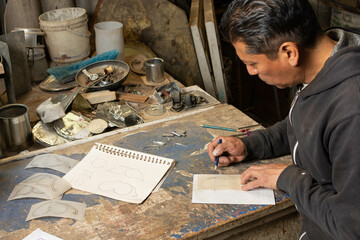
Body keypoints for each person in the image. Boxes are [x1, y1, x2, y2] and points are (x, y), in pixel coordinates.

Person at [207, 0, 360, 239]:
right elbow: (305, 125)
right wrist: (251, 145)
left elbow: (351, 226)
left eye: (253, 63)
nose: (251, 72)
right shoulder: (326, 63)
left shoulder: (352, 112)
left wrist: (288, 177)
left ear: (289, 52)